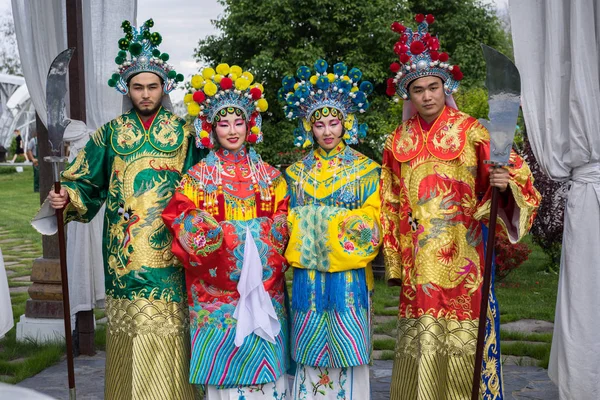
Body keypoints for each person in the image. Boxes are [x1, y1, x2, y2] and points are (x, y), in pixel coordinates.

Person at [380, 14, 541, 399]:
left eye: (434, 87)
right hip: (419, 261)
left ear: (446, 86)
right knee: (422, 337)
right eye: (417, 90)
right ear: (409, 95)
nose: (427, 96)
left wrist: (505, 183)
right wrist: (395, 259)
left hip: (465, 253)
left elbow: (516, 175)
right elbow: (389, 202)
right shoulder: (396, 142)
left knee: (466, 334)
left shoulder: (474, 130)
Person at [42, 19, 203, 399]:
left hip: (171, 256)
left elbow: (203, 189)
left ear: (164, 88)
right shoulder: (110, 134)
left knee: (168, 331)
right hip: (123, 258)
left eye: (152, 86)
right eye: (137, 87)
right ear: (126, 89)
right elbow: (85, 182)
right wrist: (68, 197)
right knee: (129, 333)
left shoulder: (185, 135)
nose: (145, 94)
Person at [162, 64, 290, 399]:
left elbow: (283, 223)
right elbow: (181, 217)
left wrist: (252, 239)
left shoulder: (272, 178)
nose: (232, 130)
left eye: (238, 122)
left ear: (250, 125)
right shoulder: (196, 177)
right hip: (214, 290)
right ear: (211, 128)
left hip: (264, 284)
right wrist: (229, 241)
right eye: (223, 123)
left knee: (267, 367)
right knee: (225, 372)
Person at [280, 59, 382, 399]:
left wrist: (315, 222)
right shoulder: (294, 174)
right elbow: (285, 223)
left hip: (349, 278)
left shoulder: (368, 171)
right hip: (307, 279)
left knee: (348, 349)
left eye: (334, 123)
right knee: (309, 347)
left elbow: (372, 221)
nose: (327, 131)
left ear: (346, 123)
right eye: (319, 124)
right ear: (308, 127)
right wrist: (334, 220)